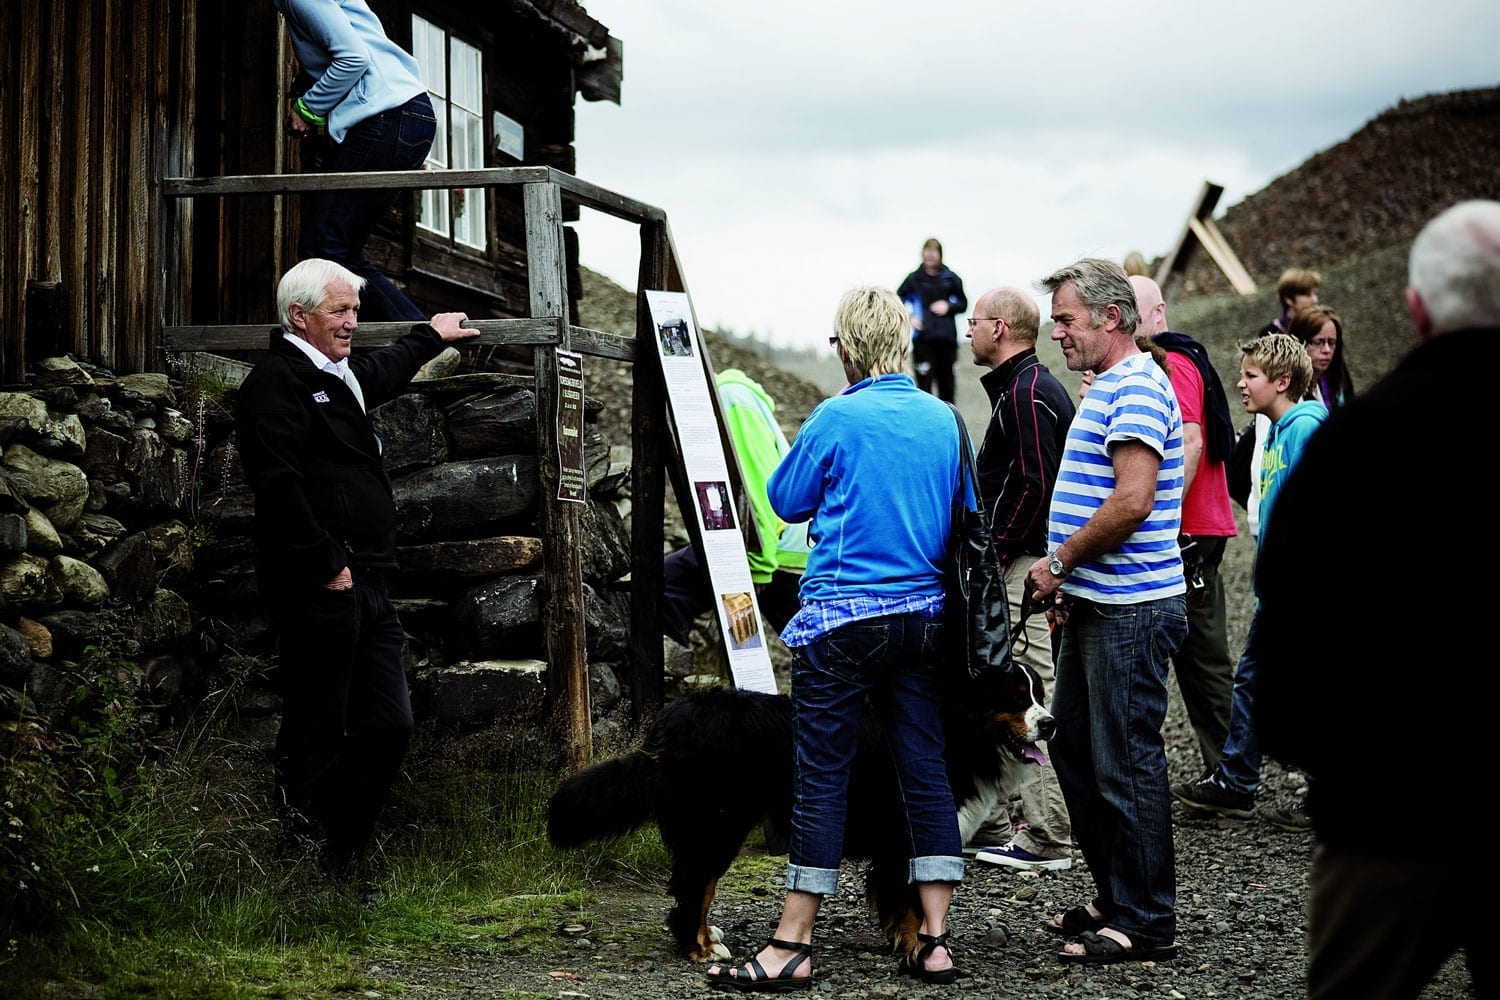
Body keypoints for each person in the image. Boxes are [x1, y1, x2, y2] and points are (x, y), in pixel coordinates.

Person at [1253, 199, 1500, 1000]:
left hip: (1387, 815)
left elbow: (1286, 626)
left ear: (1416, 307)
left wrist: (1325, 754)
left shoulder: (1355, 444)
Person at [705, 286, 967, 990]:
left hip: (843, 621)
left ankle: (792, 944)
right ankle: (934, 941)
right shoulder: (944, 419)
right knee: (925, 770)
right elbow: (964, 513)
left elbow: (785, 500)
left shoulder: (835, 416)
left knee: (822, 773)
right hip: (923, 621)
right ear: (904, 344)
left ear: (847, 346)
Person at [236, 257, 476, 881]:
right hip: (319, 584)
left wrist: (431, 333)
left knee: (389, 723)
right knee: (318, 725)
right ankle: (306, 862)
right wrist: (323, 562)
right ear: (299, 316)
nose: (351, 323)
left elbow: (386, 367)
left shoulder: (339, 375)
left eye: (355, 311)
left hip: (370, 582)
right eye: (339, 312)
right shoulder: (276, 382)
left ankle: (342, 852)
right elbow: (277, 483)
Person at [1023, 258, 1188, 965]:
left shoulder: (1141, 389)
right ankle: (1118, 895)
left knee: (1125, 761)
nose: (1056, 331)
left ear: (1109, 318)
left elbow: (1132, 499)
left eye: (1065, 319)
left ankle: (1147, 920)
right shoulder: (1110, 386)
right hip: (1099, 603)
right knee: (1075, 749)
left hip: (1132, 610)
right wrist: (1071, 586)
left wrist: (1059, 563)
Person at [1169, 335, 1324, 822]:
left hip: (1302, 591)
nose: (1239, 382)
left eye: (1251, 375)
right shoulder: (1275, 433)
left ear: (1282, 382)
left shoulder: (1307, 427)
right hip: (1277, 590)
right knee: (1257, 681)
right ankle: (1236, 779)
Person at [958, 286, 1076, 871]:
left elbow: (1033, 484)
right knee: (1004, 688)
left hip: (1020, 566)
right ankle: (997, 828)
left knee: (1033, 695)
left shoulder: (1028, 393)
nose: (966, 329)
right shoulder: (1024, 389)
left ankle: (1048, 837)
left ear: (1000, 328)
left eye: (974, 320)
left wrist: (994, 557)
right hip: (1024, 563)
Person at [1130, 276, 1239, 776]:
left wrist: (1163, 513)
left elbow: (1191, 441)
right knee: (1201, 654)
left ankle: (1231, 773)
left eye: (1134, 310)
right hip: (1201, 523)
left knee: (1202, 658)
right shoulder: (1178, 359)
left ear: (1158, 313)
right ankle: (1229, 768)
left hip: (1191, 528)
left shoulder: (1172, 362)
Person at [276, 0, 438, 322]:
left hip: (386, 116)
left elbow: (354, 58)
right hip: (407, 113)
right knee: (340, 250)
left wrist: (309, 108)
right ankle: (423, 341)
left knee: (324, 248)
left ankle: (420, 341)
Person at [662, 368, 808, 646]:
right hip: (776, 547)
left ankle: (669, 681)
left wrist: (758, 565)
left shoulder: (730, 400)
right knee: (818, 656)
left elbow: (758, 486)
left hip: (774, 551)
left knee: (665, 585)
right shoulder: (733, 398)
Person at [897, 238, 967, 403]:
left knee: (947, 390)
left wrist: (948, 306)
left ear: (940, 255)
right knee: (924, 390)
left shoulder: (951, 279)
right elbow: (896, 299)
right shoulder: (913, 279)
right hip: (923, 341)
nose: (929, 256)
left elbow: (963, 303)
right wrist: (909, 317)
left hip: (947, 341)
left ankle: (950, 425)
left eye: (933, 252)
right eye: (926, 252)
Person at [1287, 303, 1356, 409]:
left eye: (1332, 342)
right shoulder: (1283, 391)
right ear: (1299, 343)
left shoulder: (1336, 376)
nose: (1327, 350)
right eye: (1318, 342)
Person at [1258, 267, 1322, 336]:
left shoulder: (1320, 328)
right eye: (1307, 295)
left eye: (1315, 293)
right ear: (1289, 299)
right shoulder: (1270, 334)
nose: (1315, 300)